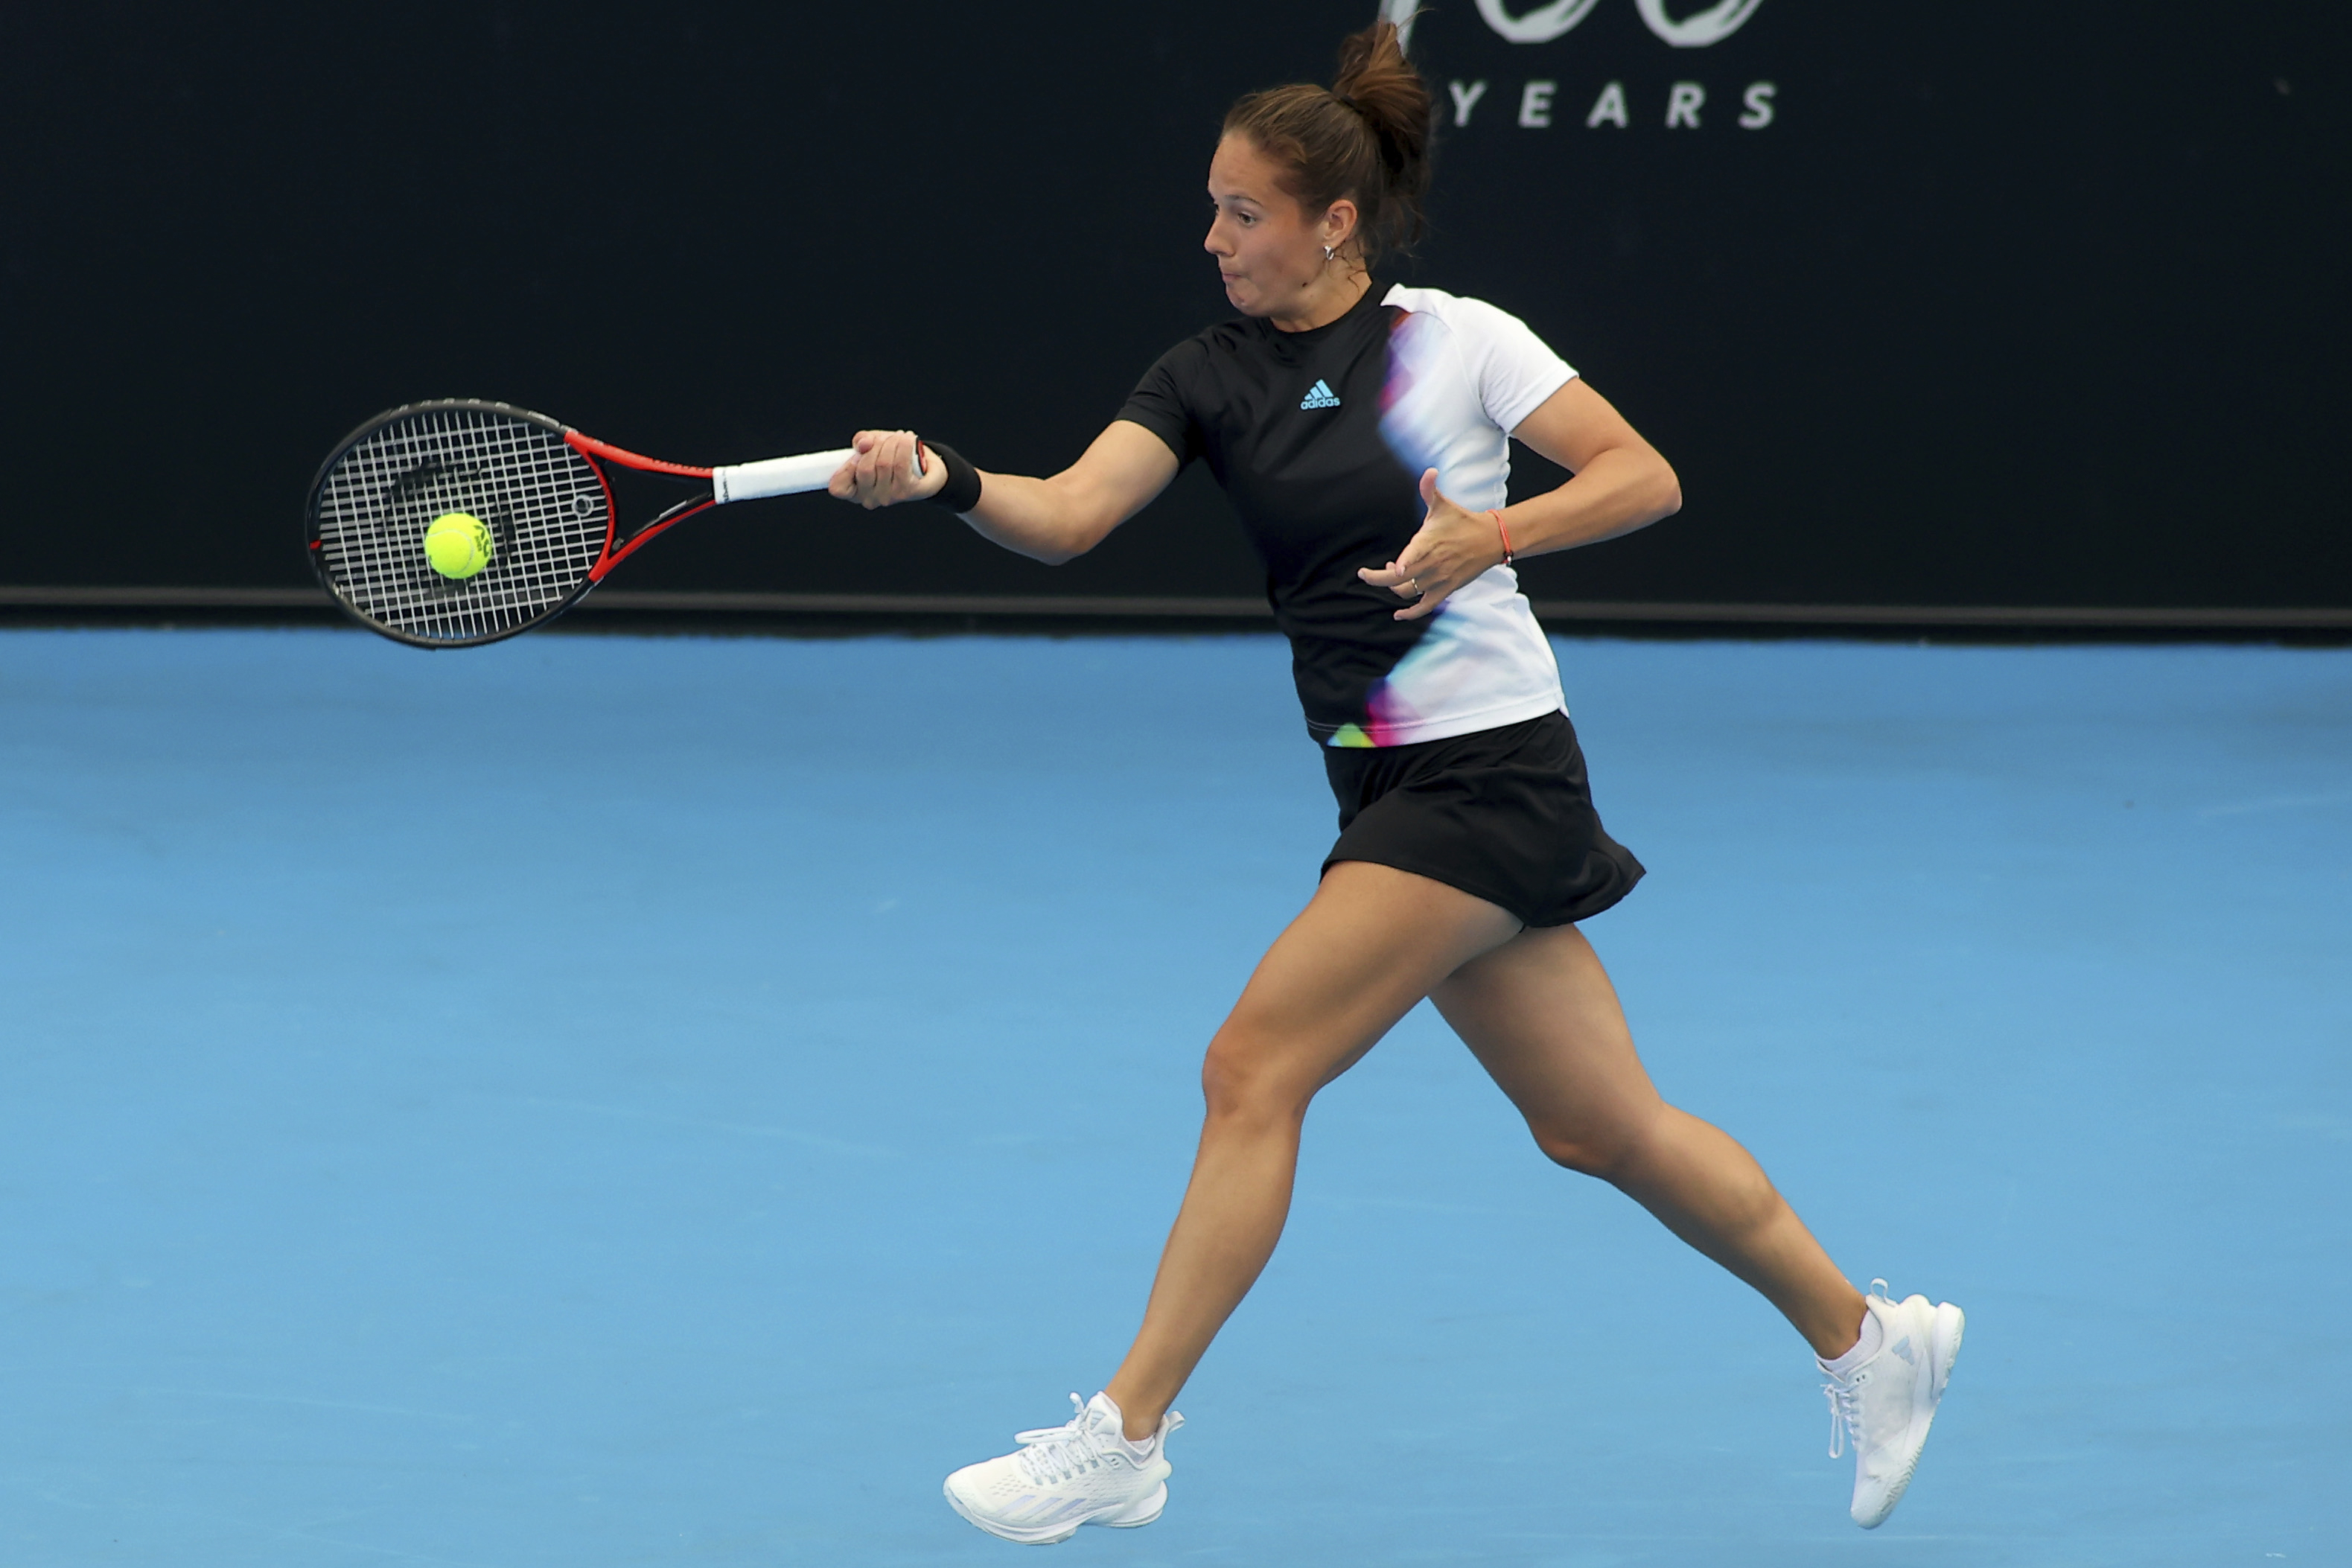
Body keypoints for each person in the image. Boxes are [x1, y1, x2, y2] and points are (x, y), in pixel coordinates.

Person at [827, 19, 1963, 1546]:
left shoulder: (1459, 340)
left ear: (1331, 222)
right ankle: (1866, 1336)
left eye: (1242, 211)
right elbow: (1071, 515)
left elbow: (1640, 477)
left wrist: (1487, 536)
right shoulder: (1203, 373)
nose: (1212, 235)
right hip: (1383, 784)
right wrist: (945, 482)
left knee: (1252, 1067)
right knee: (1599, 1128)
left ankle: (1126, 1435)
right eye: (1212, 206)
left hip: (1482, 770)